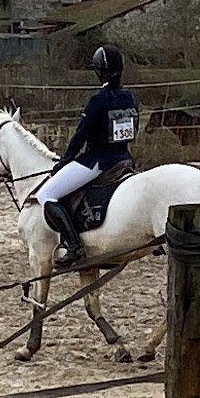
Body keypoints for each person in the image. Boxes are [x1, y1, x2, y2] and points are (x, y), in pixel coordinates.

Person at [35, 44, 139, 269]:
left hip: (98, 161)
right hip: (124, 159)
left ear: (100, 71)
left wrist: (64, 162)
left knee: (47, 194)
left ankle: (74, 247)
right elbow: (133, 130)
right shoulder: (129, 97)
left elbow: (80, 135)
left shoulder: (98, 100)